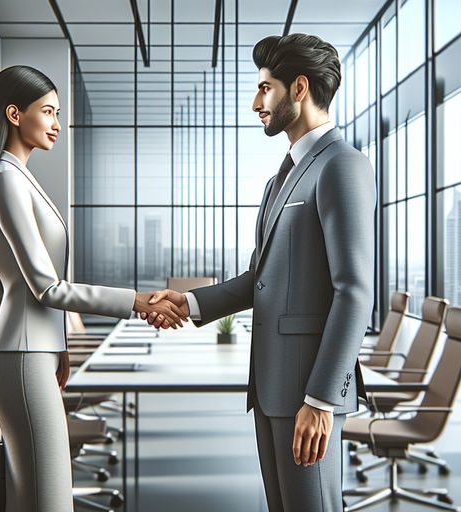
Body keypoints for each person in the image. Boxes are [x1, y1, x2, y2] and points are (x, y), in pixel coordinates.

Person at [144, 34, 375, 512]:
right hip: (271, 386)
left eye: (265, 88)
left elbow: (353, 292)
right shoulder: (281, 177)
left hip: (307, 392)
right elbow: (260, 278)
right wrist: (190, 303)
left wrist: (321, 398)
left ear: (299, 89)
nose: (256, 103)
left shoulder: (341, 166)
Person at [0, 65, 186, 512]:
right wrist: (135, 300)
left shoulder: (19, 178)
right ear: (13, 114)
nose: (57, 124)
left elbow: (3, 290)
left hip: (30, 356)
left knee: (36, 495)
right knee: (47, 500)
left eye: (58, 113)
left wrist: (58, 346)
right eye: (48, 112)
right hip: (20, 360)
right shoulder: (6, 181)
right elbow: (45, 288)